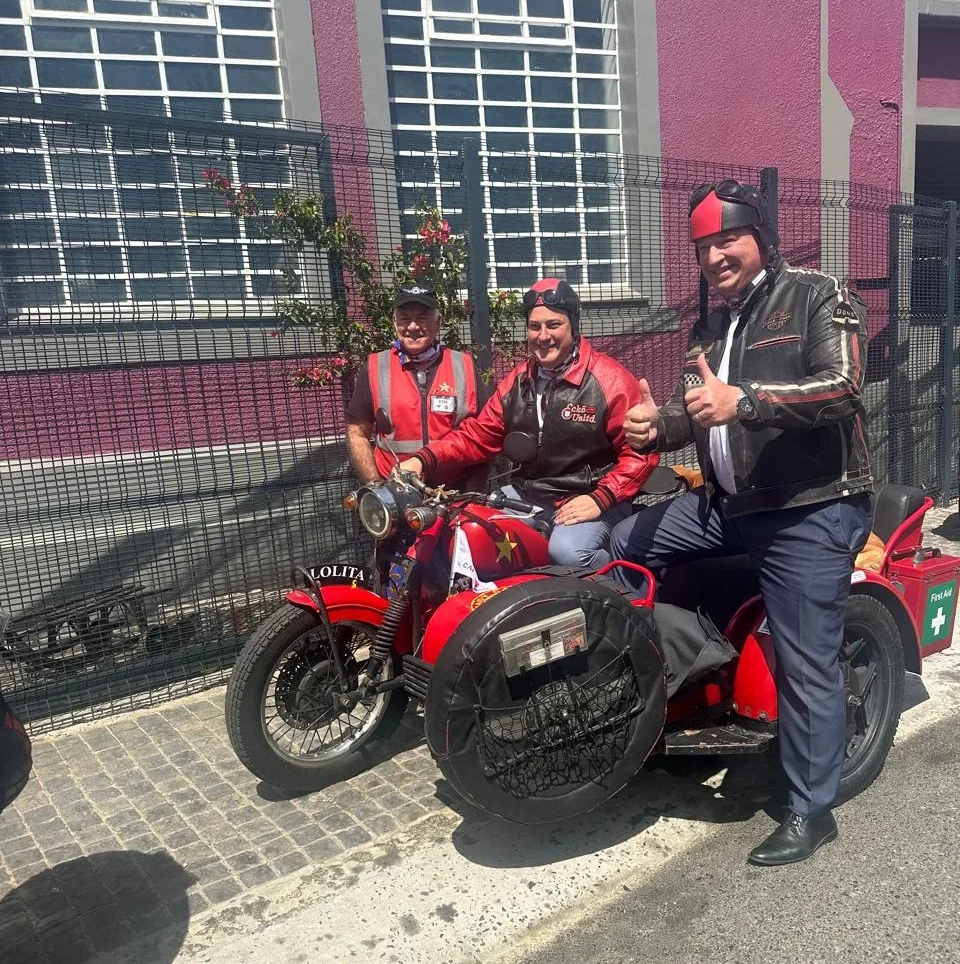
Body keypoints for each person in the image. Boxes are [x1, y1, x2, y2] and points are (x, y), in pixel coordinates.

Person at [609, 180, 874, 866]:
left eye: (727, 239)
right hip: (728, 504)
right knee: (619, 543)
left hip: (808, 507)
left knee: (805, 659)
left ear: (761, 238)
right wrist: (653, 424)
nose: (716, 256)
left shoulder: (819, 293)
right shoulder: (711, 324)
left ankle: (811, 811)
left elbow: (844, 387)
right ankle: (679, 681)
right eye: (703, 247)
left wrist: (748, 399)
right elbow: (692, 409)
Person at [399, 278, 658, 568]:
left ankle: (623, 590)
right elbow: (477, 435)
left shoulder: (610, 381)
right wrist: (424, 459)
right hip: (531, 494)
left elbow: (641, 453)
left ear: (573, 326)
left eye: (553, 325)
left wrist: (602, 497)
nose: (543, 336)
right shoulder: (519, 381)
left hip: (594, 497)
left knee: (567, 552)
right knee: (468, 529)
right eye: (535, 327)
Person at [345, 283, 486, 486]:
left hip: (455, 493)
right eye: (404, 318)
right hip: (396, 494)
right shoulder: (375, 367)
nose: (412, 326)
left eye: (422, 318)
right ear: (394, 323)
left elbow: (486, 432)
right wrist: (375, 486)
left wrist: (476, 488)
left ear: (438, 323)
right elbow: (357, 432)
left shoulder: (464, 365)